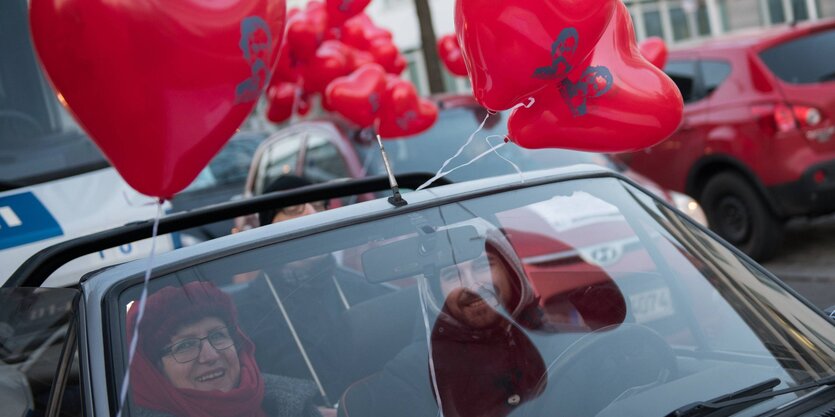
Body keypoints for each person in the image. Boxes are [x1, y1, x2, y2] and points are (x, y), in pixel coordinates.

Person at [338, 223, 551, 417]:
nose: (472, 286)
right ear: (437, 294)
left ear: (510, 269)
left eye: (482, 265)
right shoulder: (417, 371)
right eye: (451, 275)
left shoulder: (557, 331)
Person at [126, 281, 322, 417]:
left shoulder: (292, 406)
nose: (210, 356)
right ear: (154, 369)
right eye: (185, 345)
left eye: (217, 335)